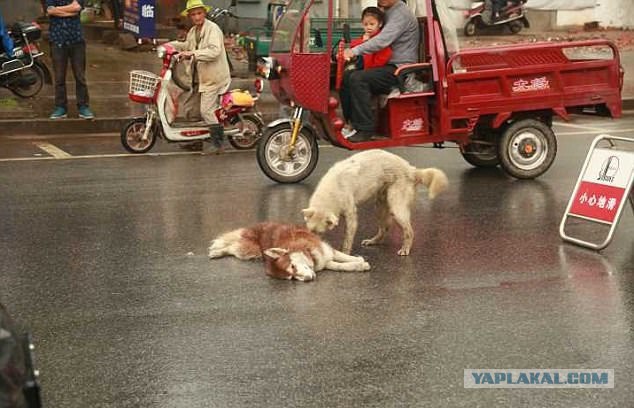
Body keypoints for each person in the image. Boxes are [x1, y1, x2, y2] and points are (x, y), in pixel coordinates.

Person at [342, 0, 419, 142]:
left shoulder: (400, 13)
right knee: (347, 75)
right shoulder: (388, 12)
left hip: (400, 68)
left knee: (358, 79)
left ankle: (365, 129)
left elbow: (382, 40)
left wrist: (355, 51)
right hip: (386, 64)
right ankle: (350, 123)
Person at [168, 0, 232, 153]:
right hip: (198, 79)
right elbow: (187, 46)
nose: (197, 17)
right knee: (190, 109)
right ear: (189, 16)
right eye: (193, 14)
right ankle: (196, 140)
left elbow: (214, 51)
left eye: (199, 13)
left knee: (206, 111)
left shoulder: (213, 29)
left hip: (213, 78)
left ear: (204, 13)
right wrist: (170, 46)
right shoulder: (193, 31)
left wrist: (192, 54)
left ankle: (218, 144)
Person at [340, 6, 392, 132]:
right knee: (346, 77)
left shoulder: (381, 40)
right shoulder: (366, 38)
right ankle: (349, 119)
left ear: (379, 24)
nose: (368, 27)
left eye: (372, 24)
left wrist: (364, 44)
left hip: (380, 73)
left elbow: (375, 62)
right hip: (369, 69)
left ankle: (362, 125)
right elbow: (353, 47)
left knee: (355, 78)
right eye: (365, 24)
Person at [46, 0, 94, 120]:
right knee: (59, 77)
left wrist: (58, 10)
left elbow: (77, 8)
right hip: (57, 40)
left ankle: (83, 106)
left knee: (80, 76)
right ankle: (60, 107)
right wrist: (69, 9)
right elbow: (50, 10)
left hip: (76, 39)